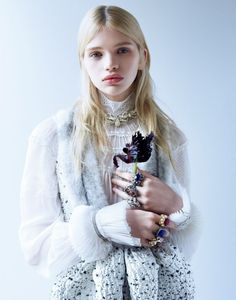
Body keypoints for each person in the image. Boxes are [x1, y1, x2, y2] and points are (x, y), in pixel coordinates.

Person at [19, 5, 200, 300]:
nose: (110, 64)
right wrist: (103, 225)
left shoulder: (169, 138)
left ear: (143, 56)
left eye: (123, 50)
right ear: (83, 60)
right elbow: (35, 246)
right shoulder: (53, 137)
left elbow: (183, 250)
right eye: (96, 54)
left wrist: (178, 208)